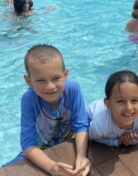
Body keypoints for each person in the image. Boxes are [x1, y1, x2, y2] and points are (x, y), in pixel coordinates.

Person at [6, 44, 90, 176]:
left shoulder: (73, 89)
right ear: (29, 81)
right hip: (41, 147)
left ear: (65, 74)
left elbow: (81, 126)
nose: (50, 86)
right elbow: (28, 145)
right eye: (41, 81)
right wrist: (51, 168)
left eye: (56, 78)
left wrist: (81, 156)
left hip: (69, 138)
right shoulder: (28, 99)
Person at [88, 70, 138, 147]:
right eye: (121, 101)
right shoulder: (99, 125)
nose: (129, 108)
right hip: (92, 114)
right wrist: (116, 142)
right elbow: (92, 137)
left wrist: (135, 139)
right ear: (108, 104)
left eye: (134, 100)